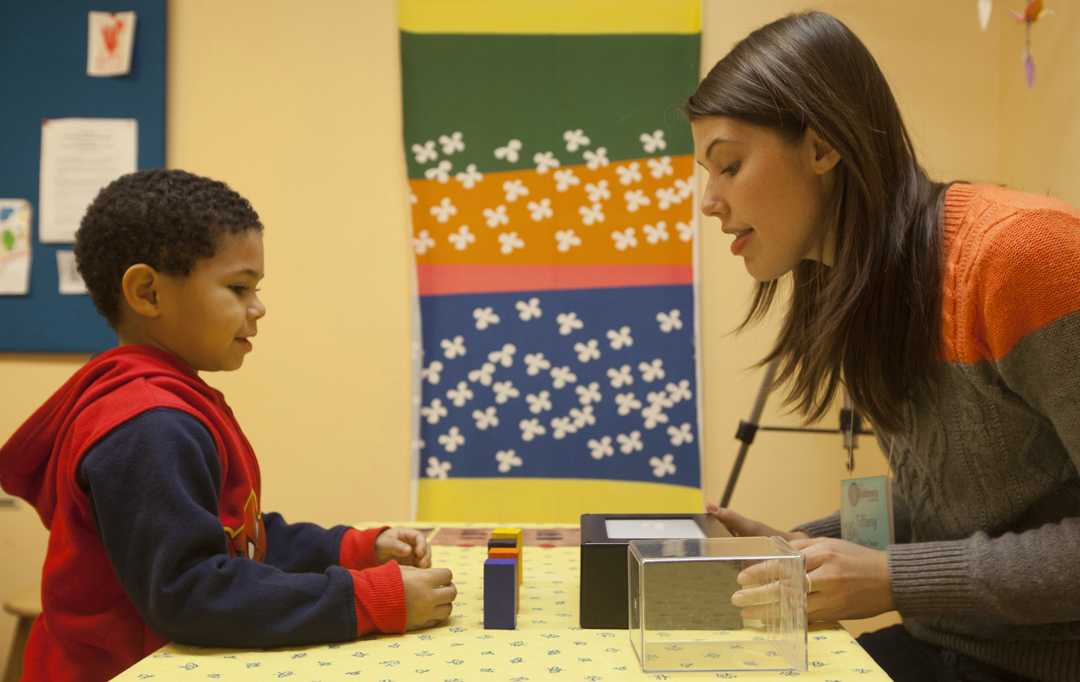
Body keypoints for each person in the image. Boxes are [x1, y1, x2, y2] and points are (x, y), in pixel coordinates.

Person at [685, 11, 1080, 682]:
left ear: (821, 147)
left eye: (728, 165)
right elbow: (954, 505)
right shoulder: (856, 286)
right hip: (945, 644)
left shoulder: (1023, 255)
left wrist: (895, 578)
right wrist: (804, 546)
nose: (708, 202)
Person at [0, 169, 457, 682]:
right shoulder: (148, 425)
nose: (258, 308)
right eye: (239, 287)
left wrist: (351, 549)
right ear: (148, 292)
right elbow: (194, 593)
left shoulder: (171, 401)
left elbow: (237, 543)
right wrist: (372, 600)